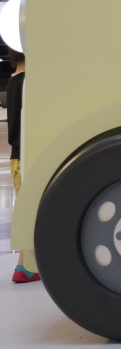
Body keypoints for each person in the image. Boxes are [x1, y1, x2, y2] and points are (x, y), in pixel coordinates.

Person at [7, 48, 39, 283]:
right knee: (33, 212)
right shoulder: (28, 82)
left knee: (29, 210)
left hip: (17, 158)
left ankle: (27, 266)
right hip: (26, 156)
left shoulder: (13, 80)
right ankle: (25, 267)